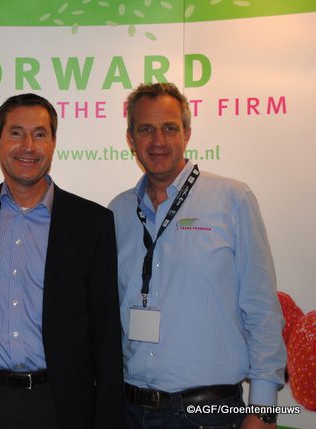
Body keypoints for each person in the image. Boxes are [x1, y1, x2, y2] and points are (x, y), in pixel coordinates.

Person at [0, 93, 123, 429]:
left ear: (53, 143)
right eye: (16, 133)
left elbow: (106, 327)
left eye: (39, 134)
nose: (28, 146)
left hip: (61, 403)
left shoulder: (92, 222)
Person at [109, 82, 286, 428]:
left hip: (210, 414)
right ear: (130, 139)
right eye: (145, 129)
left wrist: (264, 409)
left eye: (169, 128)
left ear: (187, 133)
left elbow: (262, 309)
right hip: (131, 411)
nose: (158, 141)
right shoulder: (118, 211)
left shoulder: (232, 199)